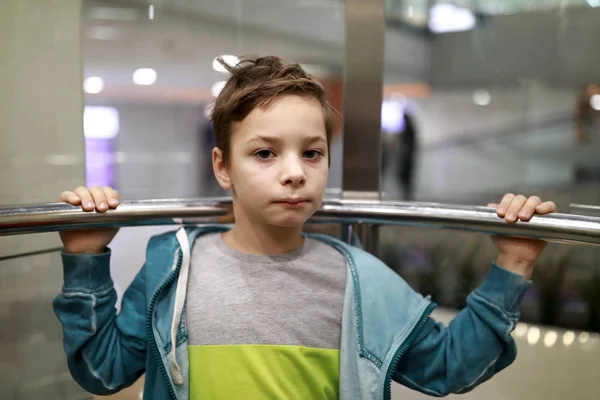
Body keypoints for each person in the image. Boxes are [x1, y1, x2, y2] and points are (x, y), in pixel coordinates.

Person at [53, 56, 557, 400]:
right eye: (265, 153)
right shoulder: (173, 267)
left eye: (312, 152)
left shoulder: (359, 279)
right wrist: (84, 259)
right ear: (222, 166)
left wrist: (514, 262)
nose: (295, 171)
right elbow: (102, 371)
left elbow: (449, 365)